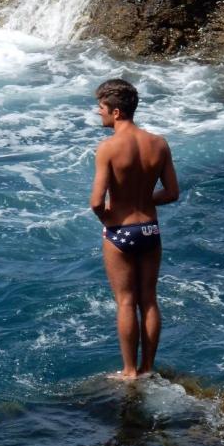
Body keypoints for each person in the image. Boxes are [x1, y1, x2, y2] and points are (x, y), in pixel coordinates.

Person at [89, 78, 179, 379]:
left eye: (101, 108)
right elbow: (171, 193)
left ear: (116, 112)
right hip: (151, 230)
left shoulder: (108, 148)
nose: (98, 113)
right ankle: (148, 368)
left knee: (126, 301)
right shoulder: (159, 143)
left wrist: (109, 219)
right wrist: (142, 199)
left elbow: (96, 202)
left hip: (121, 232)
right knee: (149, 299)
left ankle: (129, 372)